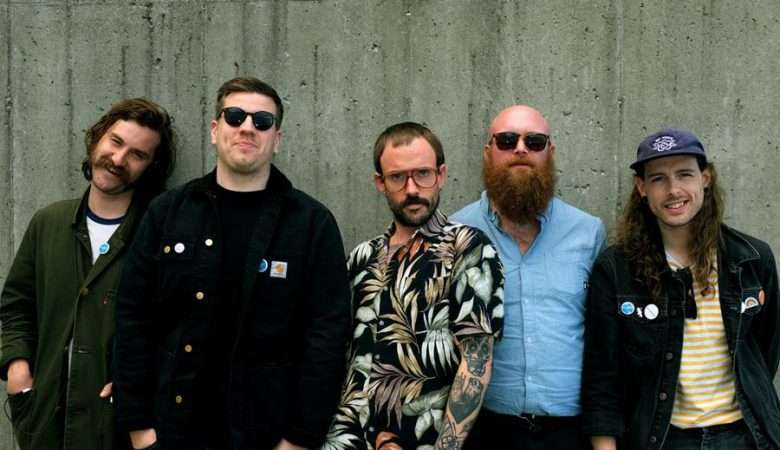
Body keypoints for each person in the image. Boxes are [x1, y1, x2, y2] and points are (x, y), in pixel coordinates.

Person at [113, 77, 351, 450]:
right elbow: (132, 319)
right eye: (235, 116)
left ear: (277, 139)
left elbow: (327, 337)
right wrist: (140, 431)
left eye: (262, 121)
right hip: (174, 431)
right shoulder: (168, 213)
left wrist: (300, 438)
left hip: (268, 436)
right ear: (215, 129)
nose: (247, 128)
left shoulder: (311, 224)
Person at [581, 128, 780, 450]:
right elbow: (602, 378)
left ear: (705, 178)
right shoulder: (616, 270)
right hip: (662, 439)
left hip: (745, 438)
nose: (673, 190)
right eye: (658, 178)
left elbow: (762, 354)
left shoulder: (752, 260)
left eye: (684, 174)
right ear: (642, 188)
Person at [0, 98, 176, 450]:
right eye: (115, 142)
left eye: (137, 154)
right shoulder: (49, 222)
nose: (119, 159)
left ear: (151, 167)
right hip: (45, 421)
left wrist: (139, 386)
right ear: (97, 139)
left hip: (119, 429)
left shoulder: (160, 235)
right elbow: (17, 306)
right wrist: (18, 372)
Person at [322, 122, 504, 450]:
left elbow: (476, 363)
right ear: (380, 182)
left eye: (423, 174)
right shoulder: (361, 257)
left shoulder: (468, 248)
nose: (411, 189)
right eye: (397, 177)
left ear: (441, 175)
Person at [452, 105, 606, 450]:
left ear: (550, 152)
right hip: (484, 432)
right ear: (488, 152)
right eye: (507, 140)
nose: (520, 149)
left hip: (569, 434)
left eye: (534, 142)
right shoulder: (456, 233)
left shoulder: (588, 232)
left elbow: (604, 344)